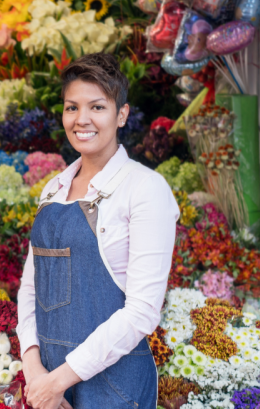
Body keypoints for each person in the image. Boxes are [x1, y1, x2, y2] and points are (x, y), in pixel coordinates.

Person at [18, 53, 179, 409]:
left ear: (121, 114)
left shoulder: (145, 189)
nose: (82, 119)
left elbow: (142, 312)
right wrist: (35, 373)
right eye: (71, 107)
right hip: (50, 389)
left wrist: (59, 379)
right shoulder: (53, 190)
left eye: (97, 107)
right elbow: (30, 288)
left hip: (113, 390)